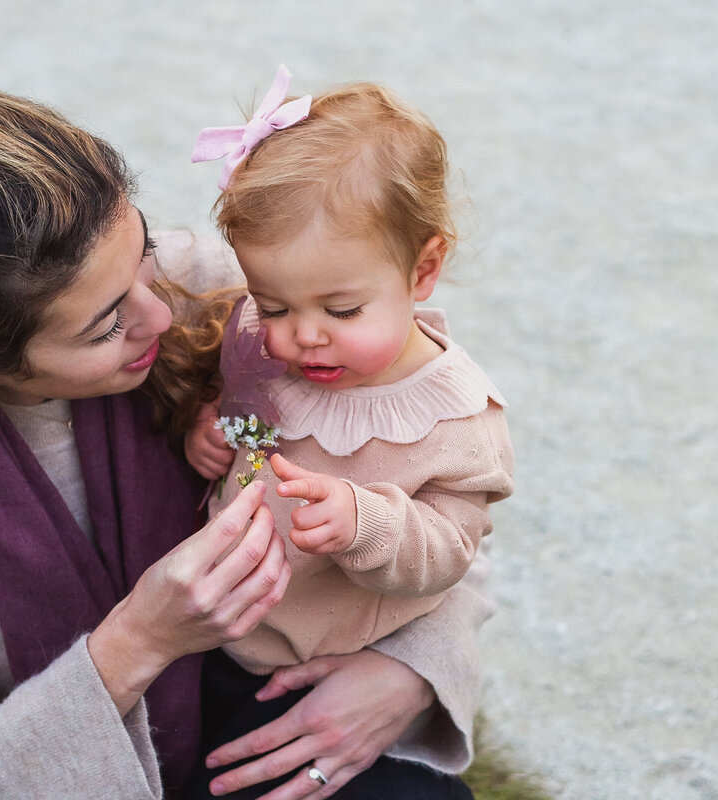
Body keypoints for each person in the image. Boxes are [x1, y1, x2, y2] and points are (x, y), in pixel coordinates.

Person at [0, 84, 494, 800]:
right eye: (105, 326)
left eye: (141, 261)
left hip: (268, 711)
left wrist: (410, 671)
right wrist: (138, 642)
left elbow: (434, 468)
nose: (160, 317)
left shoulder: (225, 290)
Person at [183, 68, 514, 798]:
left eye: (341, 310)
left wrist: (363, 521)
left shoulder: (456, 416)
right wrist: (215, 434)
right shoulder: (262, 336)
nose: (302, 339)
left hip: (324, 665)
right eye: (275, 306)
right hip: (213, 634)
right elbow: (246, 403)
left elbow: (450, 549)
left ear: (423, 269)